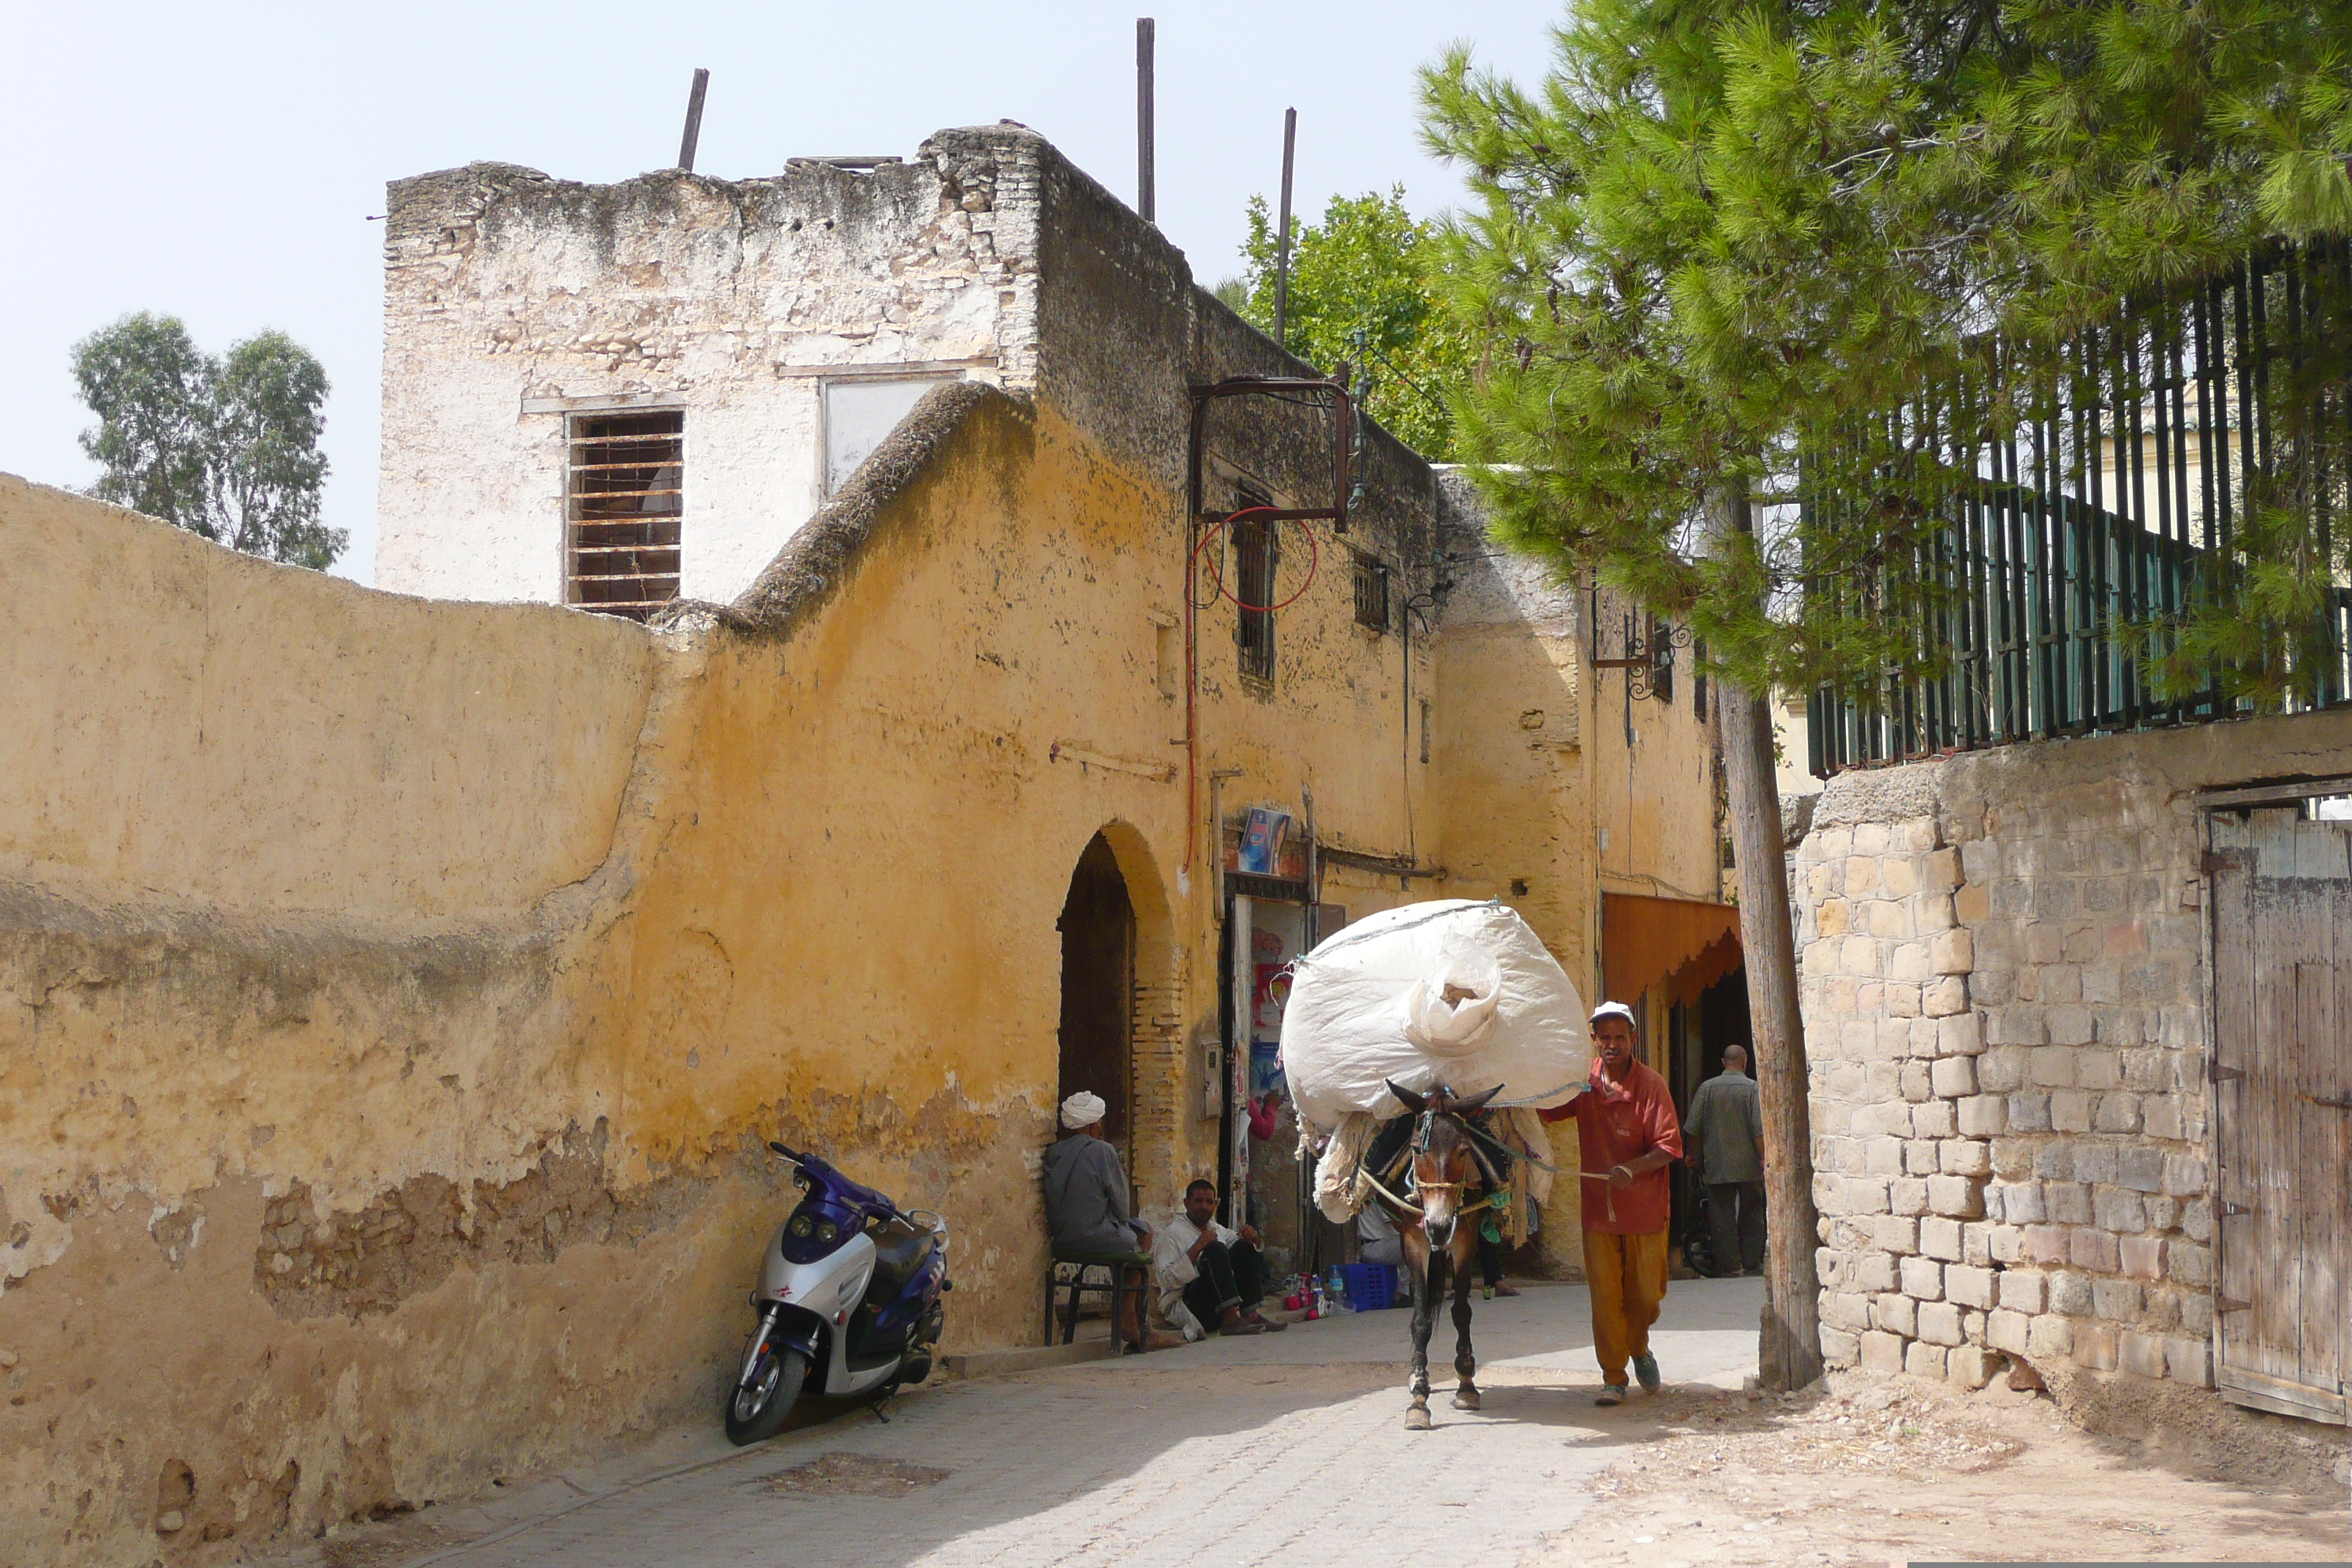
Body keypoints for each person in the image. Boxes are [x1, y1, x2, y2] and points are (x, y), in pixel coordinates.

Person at [1540, 1000, 1683, 1406]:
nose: (1613, 1044)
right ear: (1595, 1041)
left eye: (1620, 1037)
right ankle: (1614, 1377)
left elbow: (1669, 1146)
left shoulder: (1651, 1085)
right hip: (1598, 1212)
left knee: (1645, 1298)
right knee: (1605, 1298)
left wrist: (1632, 1169)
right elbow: (1549, 1109)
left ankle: (1639, 1347)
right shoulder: (1583, 1083)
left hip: (1646, 1211)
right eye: (1605, 1038)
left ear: (1632, 1039)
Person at [1041, 1090, 1153, 1347]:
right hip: (1095, 1236)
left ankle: (1132, 1323)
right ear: (1093, 1126)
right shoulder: (1103, 1151)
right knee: (1144, 1233)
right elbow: (1122, 1209)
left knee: (1133, 1233)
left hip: (1062, 1240)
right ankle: (1132, 1320)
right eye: (1100, 1123)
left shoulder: (1054, 1151)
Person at [1152, 1178, 1287, 1339]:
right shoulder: (1171, 1234)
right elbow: (1166, 1280)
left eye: (1209, 1202)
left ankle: (1250, 1314)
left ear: (1216, 1204)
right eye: (1198, 1201)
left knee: (1244, 1245)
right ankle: (1230, 1318)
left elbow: (1240, 1247)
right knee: (1215, 1249)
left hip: (1214, 1304)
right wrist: (1198, 1247)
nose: (1204, 1207)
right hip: (1190, 1306)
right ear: (1186, 1203)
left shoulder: (1215, 1228)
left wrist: (1254, 1238)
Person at [1683, 1044, 1767, 1278]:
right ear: (1745, 1063)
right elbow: (1759, 1130)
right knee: (1752, 1212)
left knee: (1721, 1213)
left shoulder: (1706, 1089)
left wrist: (1692, 1154)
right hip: (1748, 1165)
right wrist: (1764, 1159)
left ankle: (1730, 1266)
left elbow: (1693, 1127)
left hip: (1717, 1163)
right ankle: (1751, 1264)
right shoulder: (1753, 1090)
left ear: (1723, 1062)